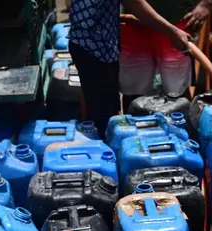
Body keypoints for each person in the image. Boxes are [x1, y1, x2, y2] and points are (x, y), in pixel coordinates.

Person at [69, 0, 191, 138]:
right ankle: (108, 148)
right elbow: (133, 3)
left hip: (99, 43)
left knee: (107, 110)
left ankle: (114, 141)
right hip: (93, 46)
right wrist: (172, 31)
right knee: (103, 116)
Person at [120, 0, 212, 111]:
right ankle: (130, 125)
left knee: (176, 91)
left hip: (177, 19)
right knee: (133, 89)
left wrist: (206, 3)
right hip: (134, 20)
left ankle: (179, 125)